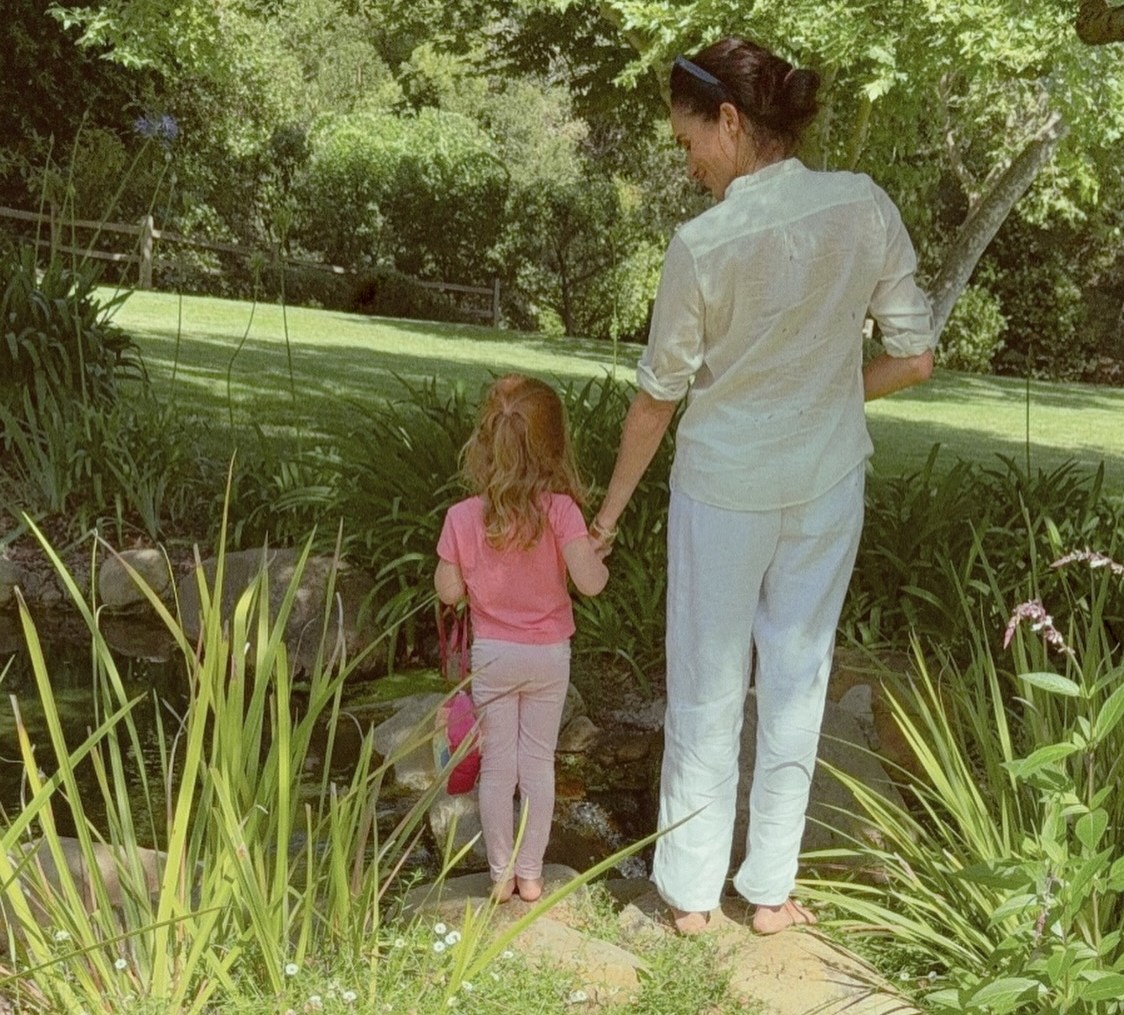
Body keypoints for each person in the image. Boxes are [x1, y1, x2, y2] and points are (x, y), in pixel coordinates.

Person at [589, 38, 936, 935]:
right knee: (799, 673)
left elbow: (656, 400)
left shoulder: (703, 246)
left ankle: (693, 894)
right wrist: (827, 393)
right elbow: (916, 355)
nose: (689, 162)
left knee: (706, 678)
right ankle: (772, 889)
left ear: (731, 122)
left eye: (688, 140)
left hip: (726, 486)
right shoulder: (863, 206)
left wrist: (608, 514)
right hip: (827, 484)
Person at [435, 374, 610, 903]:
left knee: (497, 765)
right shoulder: (562, 513)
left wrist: (465, 569)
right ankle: (531, 874)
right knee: (537, 762)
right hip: (548, 657)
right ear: (555, 448)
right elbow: (591, 585)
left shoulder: (463, 517)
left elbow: (448, 592)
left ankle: (499, 875)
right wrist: (596, 551)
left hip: (492, 657)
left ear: (486, 443)